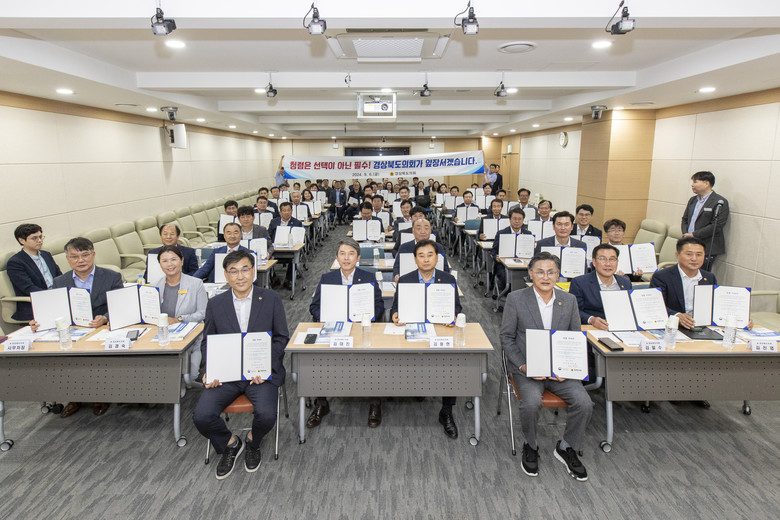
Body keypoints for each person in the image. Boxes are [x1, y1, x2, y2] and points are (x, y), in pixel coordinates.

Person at [193, 250, 288, 480]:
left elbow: (281, 338)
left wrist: (265, 366)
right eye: (233, 271)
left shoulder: (271, 299)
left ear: (254, 271)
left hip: (260, 374)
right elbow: (208, 341)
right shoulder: (216, 304)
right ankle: (231, 443)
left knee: (266, 415)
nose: (240, 276)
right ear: (226, 276)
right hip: (227, 374)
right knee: (202, 416)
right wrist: (209, 370)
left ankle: (253, 441)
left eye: (245, 269)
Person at [500, 251, 593, 481]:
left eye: (551, 272)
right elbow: (507, 338)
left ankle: (567, 447)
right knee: (531, 403)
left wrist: (567, 369)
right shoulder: (516, 299)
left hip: (560, 370)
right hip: (527, 368)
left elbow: (575, 337)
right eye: (540, 272)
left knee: (584, 403)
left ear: (558, 275)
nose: (545, 277)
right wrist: (523, 366)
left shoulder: (568, 300)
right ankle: (531, 445)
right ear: (530, 274)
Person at [307, 239, 385, 428]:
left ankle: (375, 403)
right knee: (318, 358)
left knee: (374, 358)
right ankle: (321, 403)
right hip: (334, 329)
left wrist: (366, 318)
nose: (346, 258)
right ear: (337, 257)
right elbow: (314, 307)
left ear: (358, 258)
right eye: (342, 253)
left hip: (361, 329)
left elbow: (379, 306)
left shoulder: (368, 277)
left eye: (351, 254)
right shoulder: (327, 278)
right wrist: (326, 317)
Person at [390, 239, 461, 439]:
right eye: (421, 256)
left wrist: (454, 316)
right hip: (413, 329)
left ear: (437, 258)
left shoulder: (448, 279)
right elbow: (395, 307)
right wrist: (394, 315)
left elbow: (457, 307)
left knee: (450, 361)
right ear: (415, 259)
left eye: (430, 255)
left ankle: (446, 411)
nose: (426, 259)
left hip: (440, 329)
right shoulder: (405, 280)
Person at [45, 237, 123, 418]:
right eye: (74, 257)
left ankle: (100, 397)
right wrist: (40, 321)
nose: (80, 260)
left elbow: (120, 305)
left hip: (102, 330)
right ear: (67, 259)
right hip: (73, 331)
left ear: (93, 255)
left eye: (85, 255)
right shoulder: (59, 281)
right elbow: (53, 309)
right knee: (68, 360)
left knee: (97, 359)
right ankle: (75, 398)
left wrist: (105, 317)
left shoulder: (111, 276)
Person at [153, 245, 208, 378]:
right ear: (159, 264)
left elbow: (203, 313)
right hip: (163, 336)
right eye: (164, 261)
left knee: (191, 374)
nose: (169, 264)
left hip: (191, 336)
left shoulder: (196, 284)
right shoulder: (155, 286)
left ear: (182, 261)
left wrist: (180, 319)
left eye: (174, 259)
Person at [649, 236, 716, 327]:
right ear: (677, 255)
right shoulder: (662, 277)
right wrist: (677, 315)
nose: (694, 259)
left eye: (699, 254)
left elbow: (713, 305)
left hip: (700, 325)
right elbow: (655, 305)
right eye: (689, 254)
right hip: (672, 325)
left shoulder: (709, 277)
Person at [569, 244, 632, 329]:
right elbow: (574, 310)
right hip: (593, 328)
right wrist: (591, 319)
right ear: (594, 262)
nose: (608, 264)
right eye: (602, 259)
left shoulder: (625, 282)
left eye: (612, 259)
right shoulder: (579, 282)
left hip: (621, 327)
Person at [7, 223, 62, 321]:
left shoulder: (46, 254)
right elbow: (28, 288)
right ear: (21, 240)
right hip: (36, 303)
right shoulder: (15, 262)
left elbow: (59, 277)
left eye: (40, 237)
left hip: (57, 296)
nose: (40, 240)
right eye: (34, 238)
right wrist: (53, 296)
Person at [680, 170, 729, 269]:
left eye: (695, 182)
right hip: (689, 243)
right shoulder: (693, 200)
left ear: (706, 183)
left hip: (707, 246)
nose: (692, 185)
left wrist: (694, 235)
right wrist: (686, 234)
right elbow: (685, 219)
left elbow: (717, 225)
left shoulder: (719, 202)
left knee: (701, 274)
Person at [492, 207, 533, 291]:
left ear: (523, 220)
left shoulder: (528, 234)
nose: (517, 221)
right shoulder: (501, 233)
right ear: (510, 220)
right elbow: (494, 250)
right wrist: (496, 256)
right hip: (504, 265)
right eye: (514, 219)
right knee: (505, 277)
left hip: (523, 265)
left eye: (519, 219)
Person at [267, 202, 304, 290]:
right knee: (266, 258)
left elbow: (299, 240)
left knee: (294, 260)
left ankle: (288, 280)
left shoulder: (297, 223)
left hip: (290, 251)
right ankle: (274, 278)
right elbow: (269, 236)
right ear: (280, 212)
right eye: (284, 210)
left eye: (288, 210)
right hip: (275, 250)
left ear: (291, 211)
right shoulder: (274, 221)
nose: (286, 212)